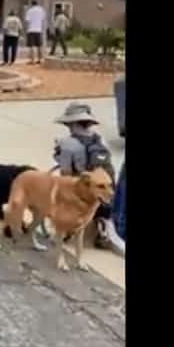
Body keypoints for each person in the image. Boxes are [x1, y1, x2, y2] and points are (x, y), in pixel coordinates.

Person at [50, 102, 116, 249]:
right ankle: (103, 228)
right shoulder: (100, 139)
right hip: (106, 180)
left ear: (72, 124)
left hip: (85, 184)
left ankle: (67, 229)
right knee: (103, 196)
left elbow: (65, 174)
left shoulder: (68, 144)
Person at [25, 0, 46, 64]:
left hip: (31, 30)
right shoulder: (41, 10)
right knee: (39, 45)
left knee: (32, 45)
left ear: (32, 4)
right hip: (39, 30)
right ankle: (40, 60)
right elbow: (43, 19)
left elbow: (27, 20)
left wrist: (26, 29)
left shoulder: (30, 11)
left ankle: (32, 60)